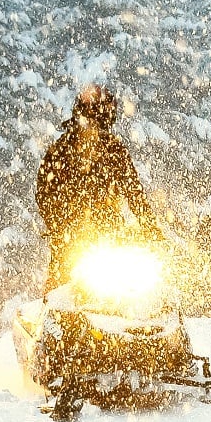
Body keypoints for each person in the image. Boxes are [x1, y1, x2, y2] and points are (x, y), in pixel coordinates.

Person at [37, 85, 163, 293]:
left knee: (141, 294)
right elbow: (45, 193)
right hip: (73, 241)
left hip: (109, 238)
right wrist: (59, 225)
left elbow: (134, 192)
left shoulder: (114, 149)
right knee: (61, 292)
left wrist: (151, 230)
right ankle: (53, 317)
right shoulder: (62, 149)